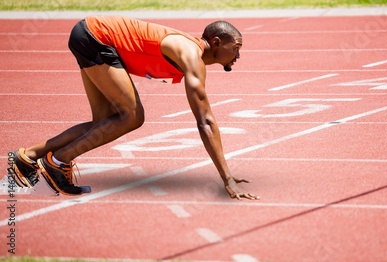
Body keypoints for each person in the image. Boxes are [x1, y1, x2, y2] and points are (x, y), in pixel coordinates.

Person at [9, 16, 259, 200]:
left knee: (104, 121)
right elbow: (205, 121)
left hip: (92, 35)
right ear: (216, 42)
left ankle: (27, 157)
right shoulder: (191, 55)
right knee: (132, 116)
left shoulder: (191, 53)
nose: (238, 55)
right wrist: (227, 178)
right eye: (236, 48)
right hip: (96, 36)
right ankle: (58, 161)